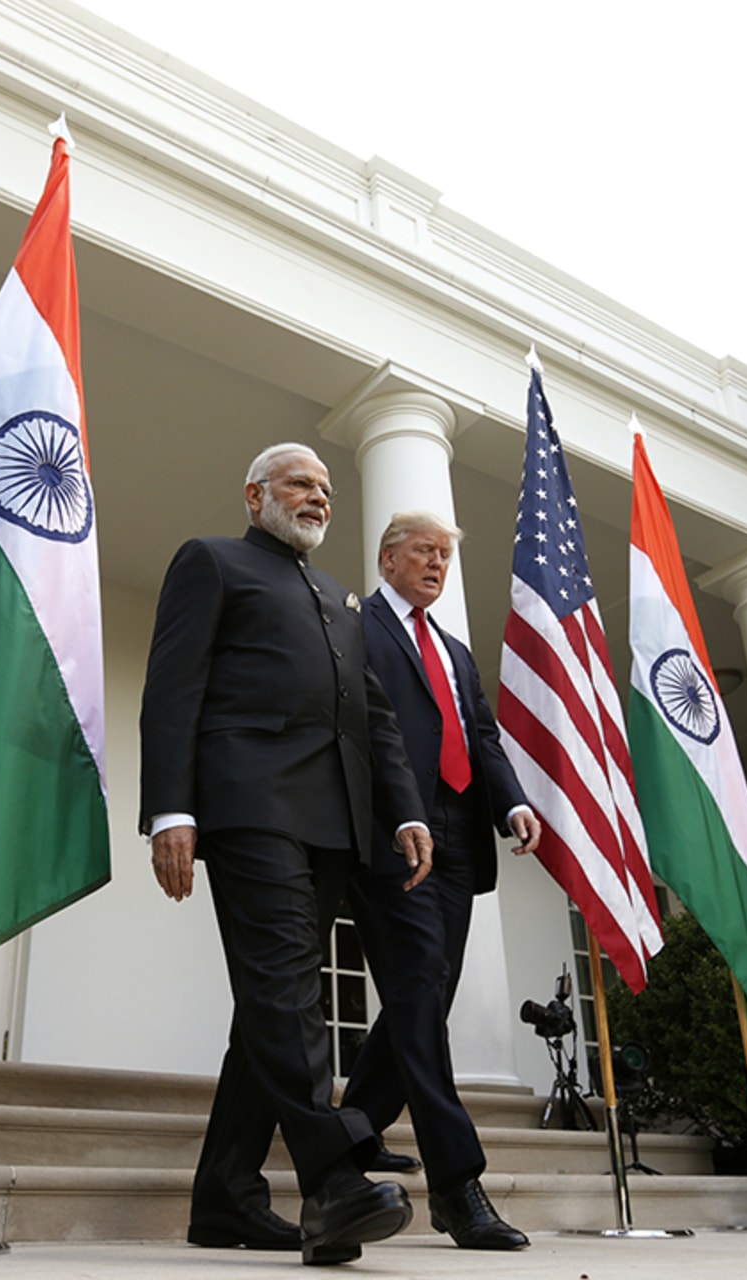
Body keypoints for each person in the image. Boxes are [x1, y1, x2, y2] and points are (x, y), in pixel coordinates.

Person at [139, 443, 434, 1267]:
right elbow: (173, 687)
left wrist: (404, 812)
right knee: (283, 991)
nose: (319, 498)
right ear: (255, 494)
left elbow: (373, 716)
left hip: (333, 821)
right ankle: (335, 1179)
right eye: (302, 483)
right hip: (247, 805)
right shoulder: (214, 562)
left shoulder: (339, 598)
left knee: (273, 1001)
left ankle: (226, 1196)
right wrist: (172, 807)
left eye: (327, 489)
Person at [341, 512, 541, 1250]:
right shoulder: (356, 626)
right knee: (421, 980)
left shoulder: (455, 651)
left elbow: (480, 735)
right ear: (388, 558)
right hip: (397, 833)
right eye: (424, 551)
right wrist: (393, 814)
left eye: (445, 557)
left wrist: (513, 800)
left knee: (427, 989)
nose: (436, 565)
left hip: (460, 833)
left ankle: (356, 1128)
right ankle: (457, 1185)